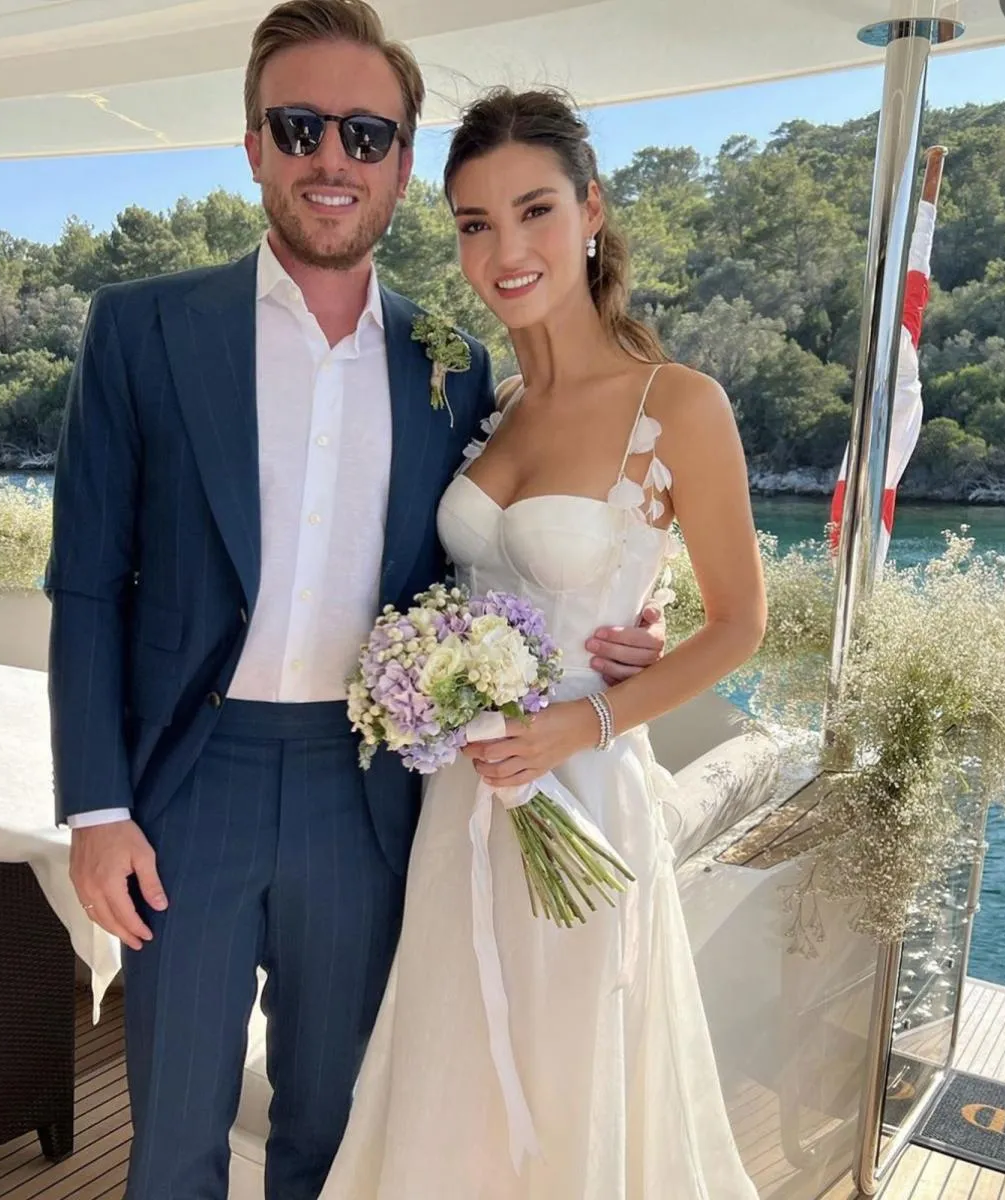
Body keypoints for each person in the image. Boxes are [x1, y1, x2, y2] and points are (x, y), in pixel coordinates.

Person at [45, 3, 664, 1197]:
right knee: (170, 1141)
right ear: (254, 146)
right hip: (186, 791)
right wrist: (97, 808)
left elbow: (505, 549)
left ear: (401, 162)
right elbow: (85, 580)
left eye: (365, 134)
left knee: (335, 1139)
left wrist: (623, 626)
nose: (332, 157)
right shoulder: (140, 328)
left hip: (373, 793)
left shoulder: (453, 361)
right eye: (299, 126)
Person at [319, 87, 767, 1199]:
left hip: (586, 797)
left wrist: (587, 716)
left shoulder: (681, 405)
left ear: (592, 211)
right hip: (459, 804)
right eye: (475, 223)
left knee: (565, 1092)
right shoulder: (492, 399)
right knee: (450, 1081)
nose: (506, 251)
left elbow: (741, 623)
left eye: (535, 211)